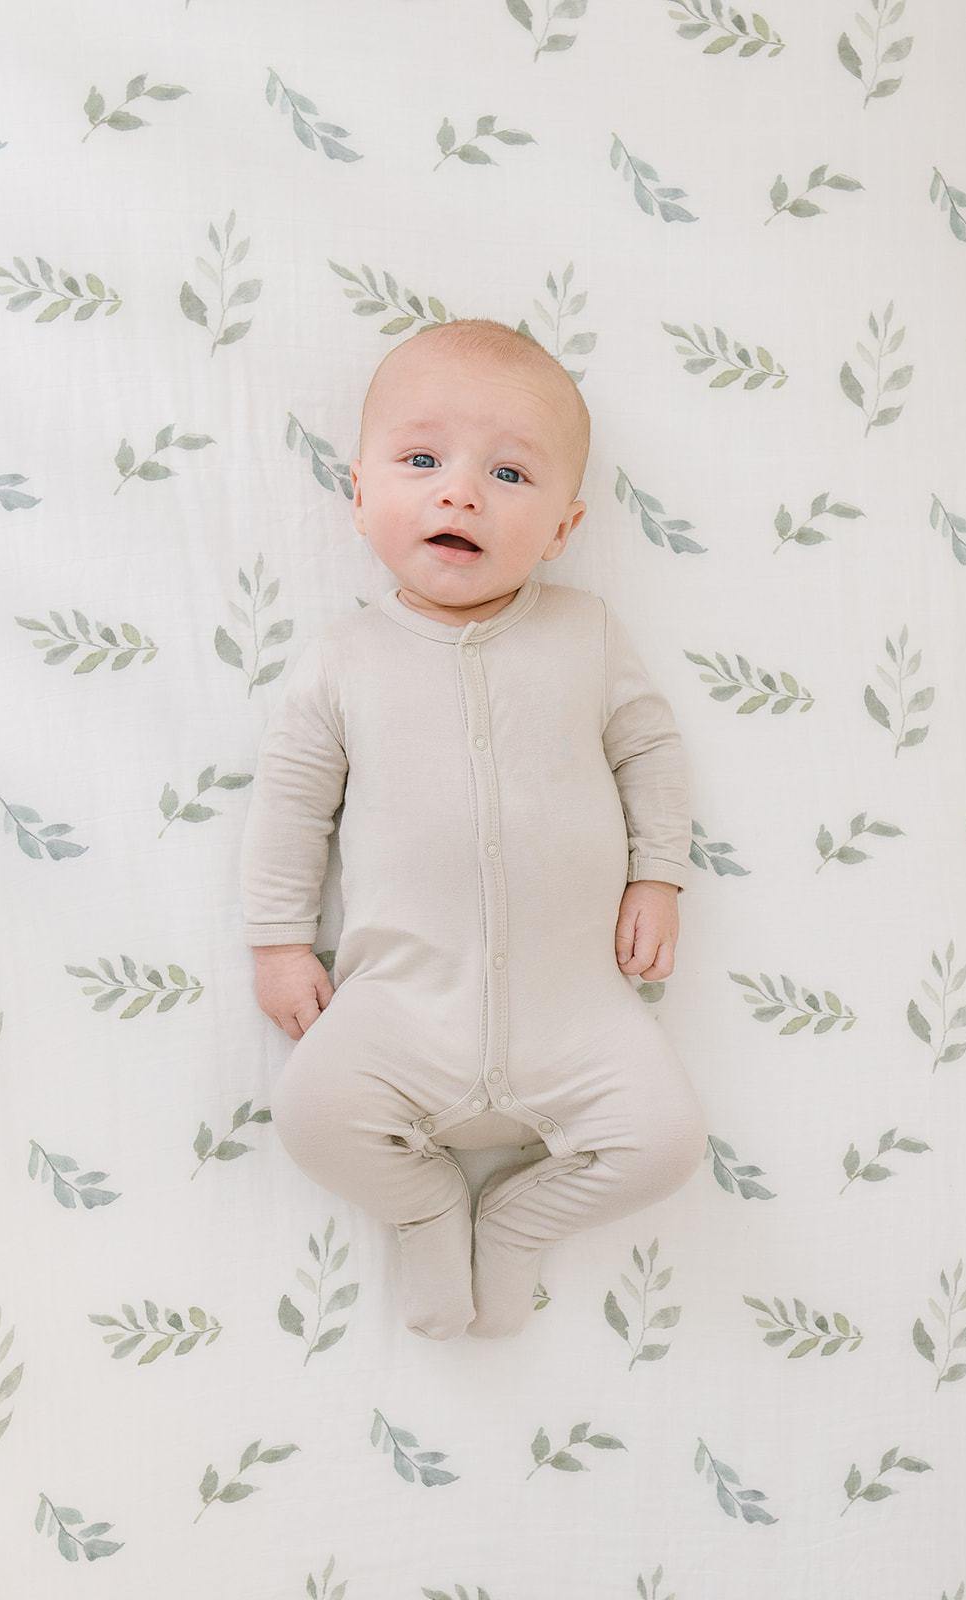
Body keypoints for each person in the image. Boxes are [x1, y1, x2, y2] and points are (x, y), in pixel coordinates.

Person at [239, 317, 708, 1341]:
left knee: (666, 1143)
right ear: (359, 496)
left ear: (561, 528)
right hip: (399, 999)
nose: (458, 492)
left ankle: (514, 1221)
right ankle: (425, 1206)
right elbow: (289, 803)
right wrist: (278, 943)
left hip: (575, 1004)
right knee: (311, 1114)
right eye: (420, 460)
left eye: (508, 473)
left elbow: (648, 751)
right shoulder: (343, 658)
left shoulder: (583, 635)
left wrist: (656, 875)